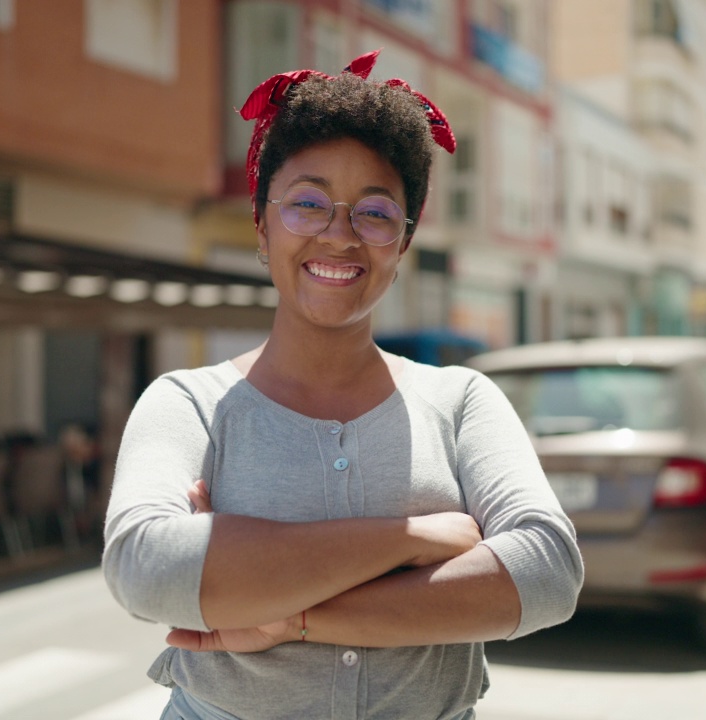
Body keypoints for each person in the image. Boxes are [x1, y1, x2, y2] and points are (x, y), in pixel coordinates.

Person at [102, 50, 583, 720]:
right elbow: (145, 568)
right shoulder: (189, 405)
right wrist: (415, 537)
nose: (339, 234)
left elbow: (547, 572)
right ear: (262, 227)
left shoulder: (462, 402)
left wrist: (280, 612)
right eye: (306, 203)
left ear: (404, 243)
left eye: (376, 212)